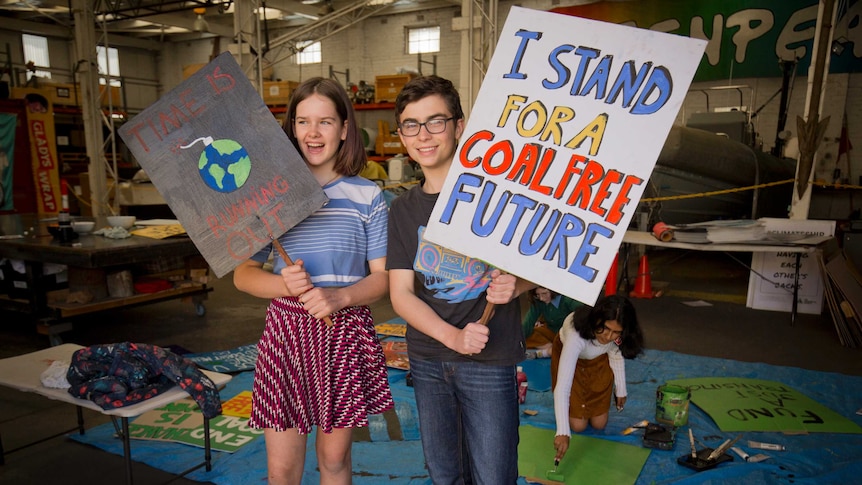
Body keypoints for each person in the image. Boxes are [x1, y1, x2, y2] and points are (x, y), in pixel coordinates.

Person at [233, 77, 393, 485]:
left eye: (325, 121)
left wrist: (342, 297)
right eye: (303, 121)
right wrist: (283, 285)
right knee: (282, 469)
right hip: (287, 332)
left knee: (334, 459)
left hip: (344, 329)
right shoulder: (270, 196)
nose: (313, 132)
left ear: (344, 129)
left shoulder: (368, 196)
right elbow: (243, 275)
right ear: (291, 129)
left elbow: (383, 278)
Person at [387, 75, 535, 484]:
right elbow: (400, 294)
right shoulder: (402, 210)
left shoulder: (499, 195)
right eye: (411, 125)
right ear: (401, 136)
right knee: (444, 474)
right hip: (429, 360)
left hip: (490, 360)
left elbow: (548, 270)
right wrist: (451, 338)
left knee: (494, 475)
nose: (424, 135)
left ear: (459, 125)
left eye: (436, 121)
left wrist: (518, 285)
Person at [551, 294, 645, 461]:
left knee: (599, 424)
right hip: (574, 358)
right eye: (606, 329)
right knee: (578, 426)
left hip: (599, 359)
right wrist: (563, 432)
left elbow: (616, 354)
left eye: (616, 332)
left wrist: (621, 390)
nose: (608, 337)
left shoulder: (616, 338)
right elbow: (563, 386)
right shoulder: (576, 335)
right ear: (596, 320)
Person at [522, 287, 583, 358]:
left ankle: (549, 351)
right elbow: (528, 324)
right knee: (522, 336)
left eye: (544, 293)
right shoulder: (539, 301)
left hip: (568, 336)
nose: (541, 298)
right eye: (538, 295)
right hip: (551, 333)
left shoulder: (568, 300)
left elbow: (585, 316)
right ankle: (553, 348)